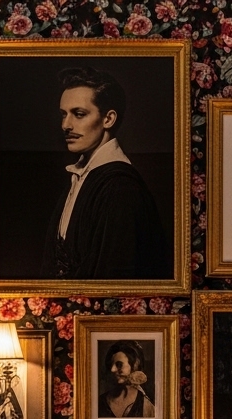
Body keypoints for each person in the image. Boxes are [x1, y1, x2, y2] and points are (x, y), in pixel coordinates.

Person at [41, 66, 169, 281]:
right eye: (64, 114)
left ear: (108, 119)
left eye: (79, 114)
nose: (65, 125)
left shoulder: (121, 188)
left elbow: (116, 275)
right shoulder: (82, 176)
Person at [97, 340, 155, 419]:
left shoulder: (147, 406)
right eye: (111, 365)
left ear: (135, 364)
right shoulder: (99, 402)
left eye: (119, 364)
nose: (112, 369)